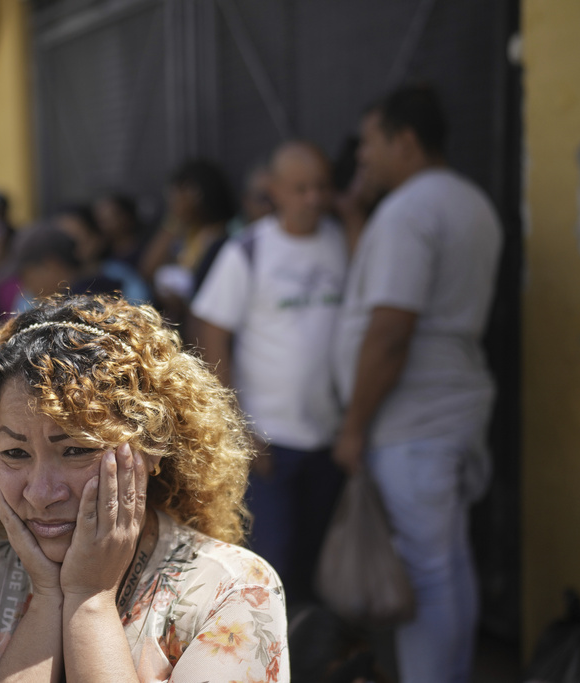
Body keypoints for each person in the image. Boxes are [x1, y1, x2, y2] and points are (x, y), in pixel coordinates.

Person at [0, 294, 289, 681]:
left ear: (151, 448)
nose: (40, 493)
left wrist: (90, 599)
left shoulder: (234, 592)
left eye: (75, 450)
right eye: (15, 453)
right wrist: (46, 600)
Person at [331, 84, 502, 683]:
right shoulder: (469, 201)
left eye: (372, 144)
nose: (363, 158)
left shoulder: (409, 210)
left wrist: (353, 428)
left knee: (427, 571)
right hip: (446, 412)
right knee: (447, 565)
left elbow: (390, 332)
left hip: (413, 424)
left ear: (406, 141)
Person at [191, 141, 347, 607]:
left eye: (321, 186)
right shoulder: (249, 251)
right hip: (270, 447)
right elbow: (210, 337)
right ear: (275, 191)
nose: (313, 198)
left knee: (319, 570)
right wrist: (239, 429)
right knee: (270, 574)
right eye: (300, 188)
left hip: (330, 441)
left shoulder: (342, 241)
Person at [140, 159, 237, 325]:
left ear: (198, 194)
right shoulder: (185, 232)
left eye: (179, 194)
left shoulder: (228, 237)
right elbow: (147, 270)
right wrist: (174, 219)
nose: (174, 202)